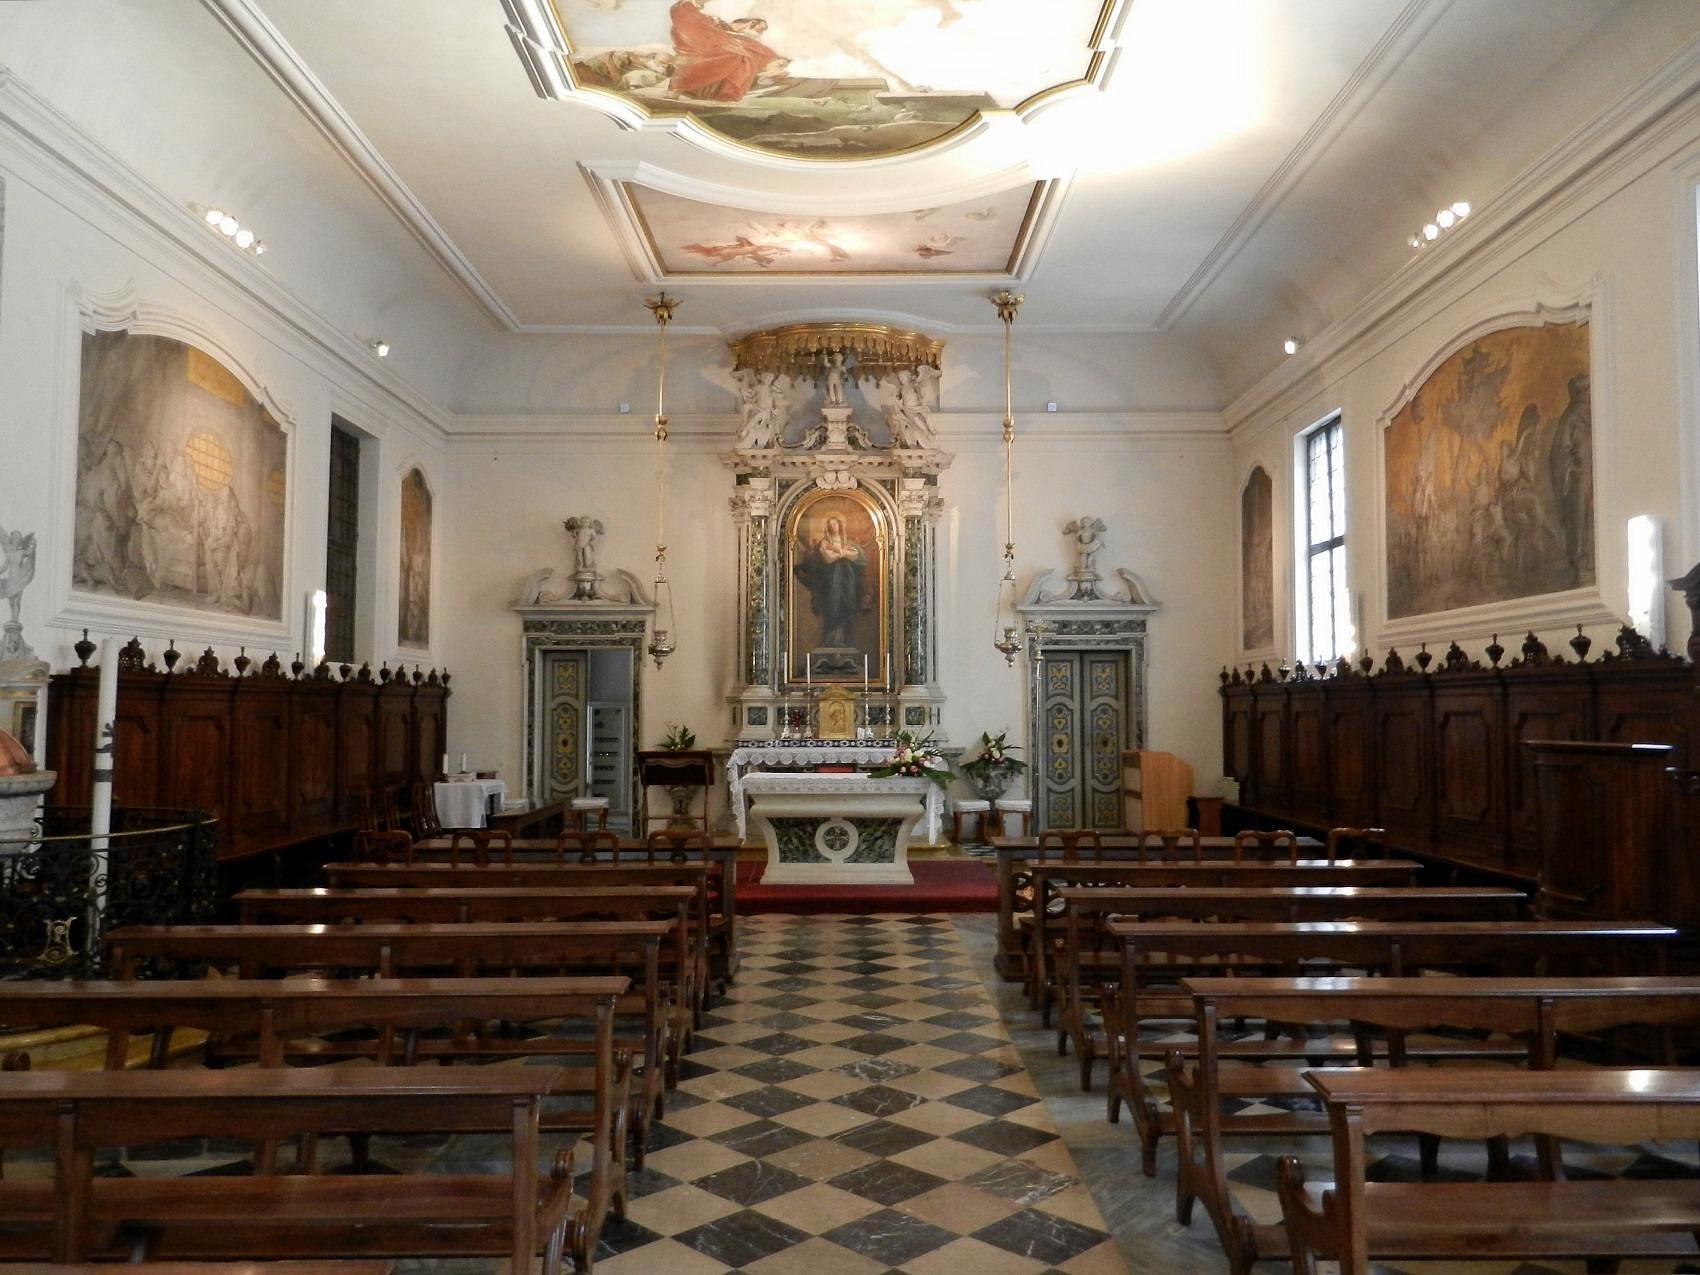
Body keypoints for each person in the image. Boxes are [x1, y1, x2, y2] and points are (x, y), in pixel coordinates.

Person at [668, 1, 787, 102]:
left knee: (743, 58)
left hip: (708, 41)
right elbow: (694, 29)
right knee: (735, 55)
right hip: (696, 42)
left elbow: (710, 29)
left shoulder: (702, 14)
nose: (759, 33)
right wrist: (718, 33)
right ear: (751, 23)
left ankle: (723, 94)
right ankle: (711, 93)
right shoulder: (685, 7)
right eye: (759, 29)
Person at [794, 514, 865, 649]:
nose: (833, 526)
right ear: (827, 527)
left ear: (839, 525)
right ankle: (831, 641)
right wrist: (842, 553)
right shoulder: (824, 543)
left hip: (846, 581)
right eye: (830, 524)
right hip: (830, 582)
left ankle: (844, 641)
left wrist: (838, 552)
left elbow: (856, 556)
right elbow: (828, 559)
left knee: (846, 605)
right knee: (832, 606)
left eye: (835, 523)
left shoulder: (848, 542)